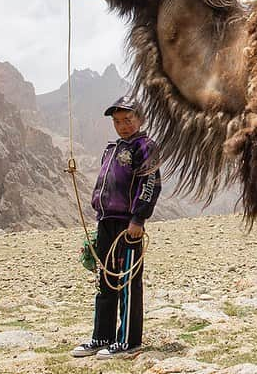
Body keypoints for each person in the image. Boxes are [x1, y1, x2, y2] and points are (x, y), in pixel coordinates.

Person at [71, 95, 161, 359]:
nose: (123, 125)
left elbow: (149, 184)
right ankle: (102, 336)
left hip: (127, 224)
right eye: (117, 121)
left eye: (128, 120)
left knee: (127, 282)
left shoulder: (145, 147)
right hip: (107, 221)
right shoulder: (112, 149)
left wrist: (138, 219)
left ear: (140, 119)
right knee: (105, 281)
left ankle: (129, 340)